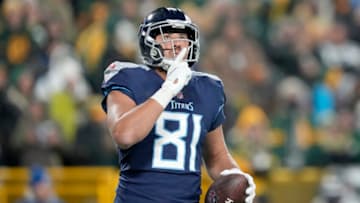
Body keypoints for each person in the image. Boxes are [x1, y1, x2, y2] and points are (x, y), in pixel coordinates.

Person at [101, 7, 256, 203]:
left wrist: (235, 177)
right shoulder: (128, 77)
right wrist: (168, 89)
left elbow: (217, 156)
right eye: (166, 36)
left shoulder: (207, 87)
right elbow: (125, 135)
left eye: (182, 36)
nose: (176, 44)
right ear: (149, 41)